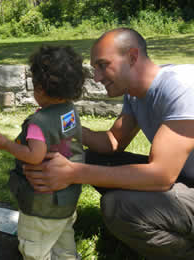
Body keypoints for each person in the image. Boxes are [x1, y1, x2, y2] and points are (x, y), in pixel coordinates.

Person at [23, 28, 194, 259]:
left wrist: (74, 173)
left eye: (103, 65)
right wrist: (62, 126)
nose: (97, 77)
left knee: (118, 206)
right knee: (91, 158)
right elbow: (112, 142)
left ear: (133, 57)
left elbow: (161, 176)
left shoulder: (180, 88)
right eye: (95, 68)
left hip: (172, 177)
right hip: (184, 177)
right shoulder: (136, 94)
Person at [0, 45, 85, 260]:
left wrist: (7, 144)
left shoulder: (39, 124)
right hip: (67, 198)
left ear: (39, 88)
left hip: (42, 205)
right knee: (63, 243)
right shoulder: (70, 111)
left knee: (35, 250)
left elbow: (34, 156)